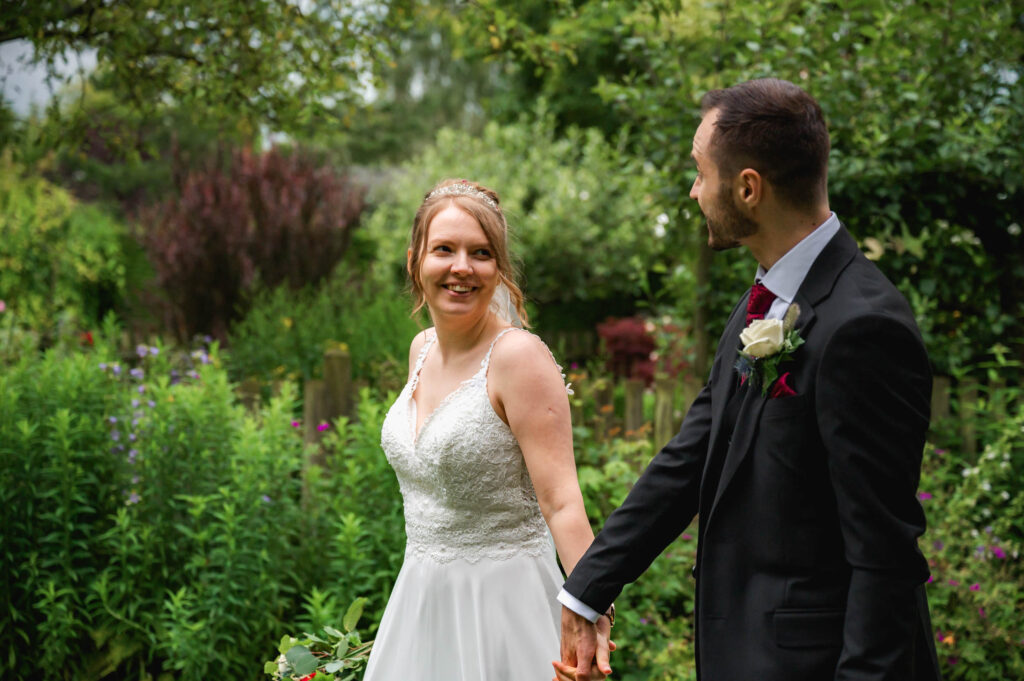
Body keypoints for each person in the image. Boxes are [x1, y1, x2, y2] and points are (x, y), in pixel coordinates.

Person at [556, 78, 942, 681]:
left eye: (700, 172)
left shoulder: (864, 328)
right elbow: (694, 453)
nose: (693, 190)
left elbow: (884, 556)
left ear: (748, 188)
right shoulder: (763, 299)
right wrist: (586, 588)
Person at [363, 179, 612, 680]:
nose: (462, 267)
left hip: (506, 606)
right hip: (421, 602)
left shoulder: (519, 357)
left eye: (481, 253)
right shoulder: (422, 349)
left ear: (498, 268)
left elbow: (562, 499)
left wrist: (591, 606)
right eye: (444, 249)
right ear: (416, 260)